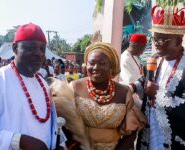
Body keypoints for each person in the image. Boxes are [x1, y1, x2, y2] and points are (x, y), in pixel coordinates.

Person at [0, 23, 64, 150]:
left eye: (42, 49)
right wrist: (18, 141)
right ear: (15, 48)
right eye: (31, 48)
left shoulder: (44, 85)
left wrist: (60, 144)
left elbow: (51, 127)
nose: (39, 54)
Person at [49, 42, 146, 150]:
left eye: (102, 63)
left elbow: (131, 133)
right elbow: (65, 127)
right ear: (86, 64)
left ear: (111, 65)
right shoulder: (74, 88)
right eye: (92, 63)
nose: (96, 67)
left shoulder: (124, 92)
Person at [131, 5, 185, 150]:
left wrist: (159, 95)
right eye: (155, 38)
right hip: (150, 130)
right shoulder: (155, 58)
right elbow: (146, 80)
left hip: (175, 138)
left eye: (162, 40)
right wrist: (134, 86)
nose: (156, 43)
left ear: (178, 41)